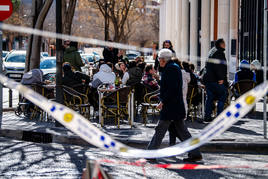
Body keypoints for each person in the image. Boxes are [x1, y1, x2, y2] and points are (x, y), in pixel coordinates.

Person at [147, 49, 202, 162]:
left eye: (159, 59)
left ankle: (151, 153)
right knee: (182, 132)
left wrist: (163, 102)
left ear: (163, 60)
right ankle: (195, 153)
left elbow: (171, 89)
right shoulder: (174, 67)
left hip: (171, 106)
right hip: (175, 105)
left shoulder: (170, 69)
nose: (158, 61)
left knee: (160, 129)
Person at [202, 39, 228, 122]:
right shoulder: (219, 53)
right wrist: (221, 78)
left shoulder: (212, 51)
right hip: (216, 80)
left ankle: (207, 116)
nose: (225, 45)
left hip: (208, 79)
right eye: (224, 43)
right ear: (221, 44)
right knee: (223, 95)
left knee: (209, 98)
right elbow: (219, 67)